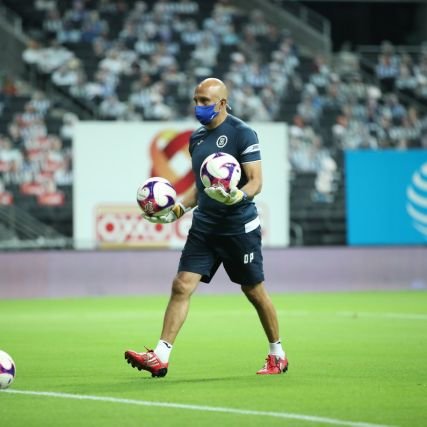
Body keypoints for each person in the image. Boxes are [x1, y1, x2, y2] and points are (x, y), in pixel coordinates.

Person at [125, 77, 288, 377]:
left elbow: (256, 181)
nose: (198, 106)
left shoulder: (242, 133)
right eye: (196, 100)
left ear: (223, 103)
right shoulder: (196, 138)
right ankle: (160, 356)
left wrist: (240, 194)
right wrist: (178, 209)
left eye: (205, 102)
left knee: (253, 291)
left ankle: (277, 353)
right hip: (205, 227)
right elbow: (201, 187)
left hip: (238, 227)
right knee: (181, 285)